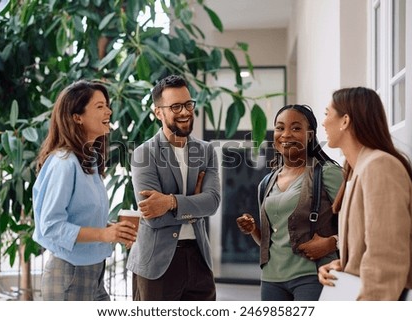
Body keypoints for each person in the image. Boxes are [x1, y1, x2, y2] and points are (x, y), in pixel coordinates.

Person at [318, 87, 412, 300]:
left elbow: (386, 259)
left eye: (326, 113)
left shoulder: (380, 166)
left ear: (345, 121)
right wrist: (341, 265)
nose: (323, 122)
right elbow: (368, 246)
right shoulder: (355, 170)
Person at [32, 80, 137, 301]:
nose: (109, 110)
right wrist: (103, 234)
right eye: (100, 106)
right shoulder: (64, 162)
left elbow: (79, 218)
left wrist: (113, 230)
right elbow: (51, 226)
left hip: (94, 272)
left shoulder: (88, 162)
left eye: (107, 105)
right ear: (76, 116)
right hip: (70, 275)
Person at [127, 74, 220, 301]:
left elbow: (212, 202)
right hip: (156, 265)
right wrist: (193, 207)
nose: (185, 112)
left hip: (199, 260)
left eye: (188, 104)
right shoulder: (144, 154)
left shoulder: (206, 151)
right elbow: (152, 218)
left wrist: (170, 202)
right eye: (176, 106)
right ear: (159, 112)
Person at [236, 104, 343, 301]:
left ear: (310, 135)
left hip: (313, 276)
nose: (285, 134)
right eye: (279, 127)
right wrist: (253, 230)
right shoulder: (266, 183)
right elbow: (271, 242)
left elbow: (358, 222)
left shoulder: (327, 173)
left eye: (295, 128)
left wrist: (332, 243)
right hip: (271, 279)